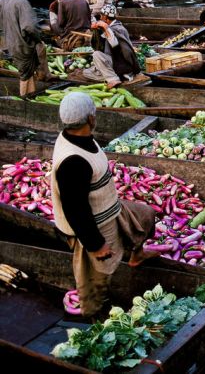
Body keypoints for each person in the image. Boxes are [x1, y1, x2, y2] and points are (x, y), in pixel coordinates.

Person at [51, 91, 157, 319]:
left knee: (145, 215)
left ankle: (136, 255)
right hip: (92, 224)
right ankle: (93, 313)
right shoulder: (73, 162)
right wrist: (95, 245)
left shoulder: (79, 136)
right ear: (90, 118)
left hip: (110, 208)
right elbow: (75, 210)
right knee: (97, 275)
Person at [0, 0, 51, 96]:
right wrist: (39, 39)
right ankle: (25, 100)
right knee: (25, 75)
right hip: (22, 44)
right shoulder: (22, 2)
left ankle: (30, 96)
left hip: (10, 41)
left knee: (28, 74)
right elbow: (29, 27)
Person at [83, 4, 140, 87]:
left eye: (102, 16)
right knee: (87, 72)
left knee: (97, 55)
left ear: (105, 17)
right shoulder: (110, 27)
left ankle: (113, 79)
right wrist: (96, 30)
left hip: (121, 63)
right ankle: (117, 76)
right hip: (113, 62)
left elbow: (114, 44)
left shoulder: (119, 29)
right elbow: (99, 43)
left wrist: (106, 28)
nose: (100, 17)